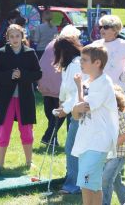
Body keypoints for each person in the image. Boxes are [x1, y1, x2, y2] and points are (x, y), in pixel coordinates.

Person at [70, 44, 119, 205]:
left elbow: (83, 107)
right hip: (87, 141)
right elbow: (77, 114)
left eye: (84, 60)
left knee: (87, 181)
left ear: (97, 63)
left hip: (98, 141)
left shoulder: (103, 82)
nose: (81, 63)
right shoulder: (89, 82)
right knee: (90, 184)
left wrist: (78, 93)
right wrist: (78, 97)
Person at [0, 24, 42, 168]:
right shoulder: (1, 53)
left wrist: (23, 74)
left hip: (25, 98)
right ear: (7, 38)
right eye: (11, 36)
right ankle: (0, 163)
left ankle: (29, 161)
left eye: (17, 36)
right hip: (6, 99)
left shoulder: (30, 53)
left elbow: (38, 73)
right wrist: (9, 75)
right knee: (4, 130)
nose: (15, 39)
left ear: (22, 37)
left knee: (26, 131)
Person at [52, 35, 85, 194]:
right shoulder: (68, 65)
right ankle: (74, 180)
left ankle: (74, 185)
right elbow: (65, 89)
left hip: (80, 111)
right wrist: (61, 103)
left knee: (72, 147)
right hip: (74, 110)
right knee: (73, 147)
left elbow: (77, 92)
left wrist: (64, 109)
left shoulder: (76, 64)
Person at [94, 15, 125, 96]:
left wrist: (124, 76)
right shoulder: (96, 44)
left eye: (106, 27)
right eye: (100, 27)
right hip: (98, 90)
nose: (102, 29)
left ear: (115, 29)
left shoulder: (122, 44)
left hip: (118, 90)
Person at [102, 85, 125, 205]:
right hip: (110, 154)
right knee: (116, 181)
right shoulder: (106, 116)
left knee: (105, 180)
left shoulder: (119, 116)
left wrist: (109, 146)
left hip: (118, 155)